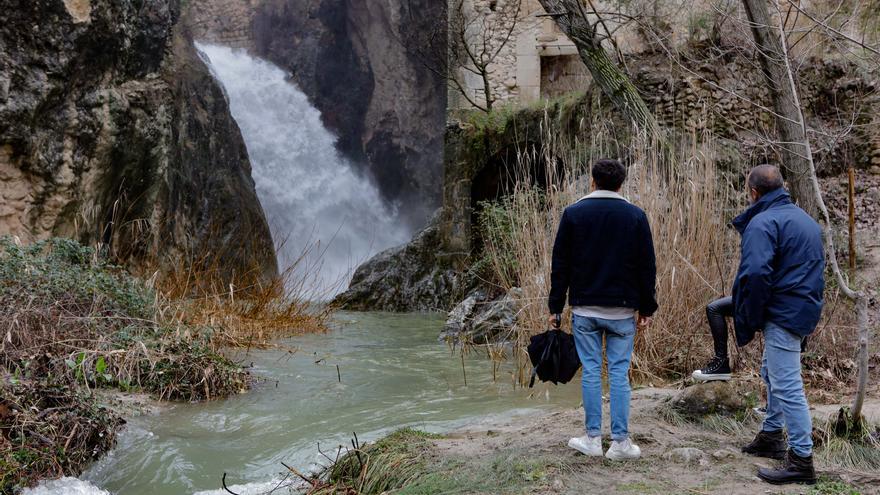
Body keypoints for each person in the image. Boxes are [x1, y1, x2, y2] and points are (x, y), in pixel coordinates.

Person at [548, 158, 657, 461]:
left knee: (592, 372)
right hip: (623, 311)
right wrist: (647, 307)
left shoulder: (573, 214)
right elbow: (647, 267)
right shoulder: (636, 216)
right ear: (622, 184)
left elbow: (560, 266)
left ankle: (593, 438)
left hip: (585, 309)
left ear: (592, 181)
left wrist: (555, 307)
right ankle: (620, 443)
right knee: (620, 374)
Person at [728, 165, 825, 485]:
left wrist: (750, 315)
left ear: (753, 192)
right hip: (802, 308)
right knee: (773, 371)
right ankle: (772, 436)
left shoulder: (763, 221)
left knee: (787, 384)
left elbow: (755, 273)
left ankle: (801, 460)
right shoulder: (805, 219)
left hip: (782, 310)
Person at [692, 296, 734, 381]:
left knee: (714, 309)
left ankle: (721, 363)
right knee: (714, 308)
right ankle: (721, 364)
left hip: (758, 294)